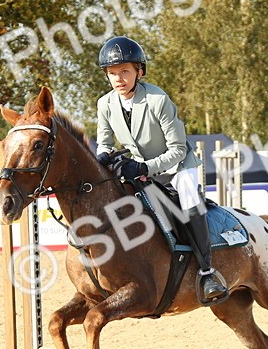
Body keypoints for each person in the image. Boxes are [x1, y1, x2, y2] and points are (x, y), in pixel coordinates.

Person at [93, 35, 227, 303]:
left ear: (138, 72)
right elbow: (104, 145)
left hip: (177, 167)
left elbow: (177, 150)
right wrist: (105, 159)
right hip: (138, 168)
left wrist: (144, 166)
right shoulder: (105, 104)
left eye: (124, 71)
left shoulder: (157, 99)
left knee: (188, 198)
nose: (118, 78)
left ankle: (207, 271)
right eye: (112, 73)